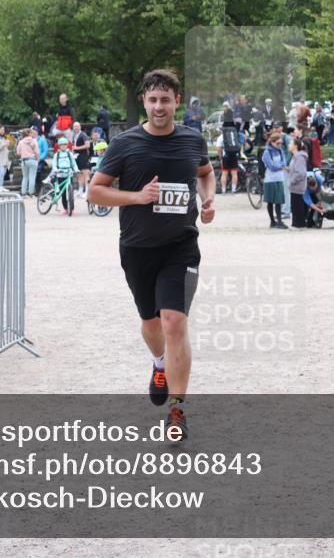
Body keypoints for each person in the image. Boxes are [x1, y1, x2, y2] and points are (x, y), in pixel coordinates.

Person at [86, 69, 215, 441]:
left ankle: (177, 410)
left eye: (166, 99)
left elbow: (206, 174)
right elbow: (95, 192)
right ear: (144, 102)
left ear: (177, 101)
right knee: (152, 324)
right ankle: (159, 363)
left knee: (174, 322)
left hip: (182, 246)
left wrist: (209, 198)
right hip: (138, 248)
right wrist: (137, 197)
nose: (159, 106)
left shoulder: (193, 141)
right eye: (153, 99)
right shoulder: (125, 144)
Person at [261, 132, 288, 229]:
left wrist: (279, 166)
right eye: (277, 143)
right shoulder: (267, 152)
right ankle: (272, 221)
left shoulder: (280, 151)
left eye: (280, 143)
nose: (279, 145)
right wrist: (280, 166)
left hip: (279, 178)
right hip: (270, 179)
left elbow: (284, 162)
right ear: (272, 142)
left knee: (279, 201)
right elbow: (271, 167)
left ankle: (279, 221)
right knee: (271, 201)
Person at [48, 137, 79, 214]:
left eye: (65, 145)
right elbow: (54, 164)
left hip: (69, 174)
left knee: (70, 192)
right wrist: (56, 169)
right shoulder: (57, 155)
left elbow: (73, 163)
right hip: (60, 175)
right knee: (63, 193)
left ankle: (72, 209)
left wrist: (76, 169)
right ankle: (65, 208)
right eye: (62, 145)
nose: (63, 146)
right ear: (59, 146)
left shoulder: (69, 154)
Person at [216, 108, 241, 194]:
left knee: (224, 173)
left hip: (225, 156)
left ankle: (223, 191)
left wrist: (220, 157)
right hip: (234, 154)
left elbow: (219, 148)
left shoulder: (223, 133)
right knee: (234, 173)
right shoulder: (235, 131)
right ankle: (233, 190)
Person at [288, 138, 309, 228]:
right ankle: (295, 223)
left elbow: (300, 172)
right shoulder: (295, 156)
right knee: (294, 204)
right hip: (294, 186)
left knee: (297, 204)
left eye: (290, 143)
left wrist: (292, 181)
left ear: (295, 146)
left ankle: (299, 224)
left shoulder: (300, 157)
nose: (289, 145)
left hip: (298, 185)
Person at [17, 128, 40, 197]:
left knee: (25, 177)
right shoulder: (33, 141)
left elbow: (18, 153)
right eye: (31, 133)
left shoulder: (21, 142)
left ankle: (23, 193)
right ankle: (31, 193)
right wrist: (38, 159)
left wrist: (24, 153)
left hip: (24, 161)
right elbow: (37, 152)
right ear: (29, 134)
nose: (32, 134)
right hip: (32, 160)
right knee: (32, 177)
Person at [71, 122, 91, 198]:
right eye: (74, 126)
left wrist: (77, 148)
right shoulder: (74, 135)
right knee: (79, 174)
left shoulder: (83, 134)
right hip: (76, 156)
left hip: (83, 155)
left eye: (77, 126)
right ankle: (80, 190)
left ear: (80, 127)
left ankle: (87, 191)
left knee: (85, 173)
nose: (75, 128)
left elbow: (87, 145)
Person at [33, 127, 50, 195]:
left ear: (37, 132)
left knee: (38, 171)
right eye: (31, 132)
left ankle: (38, 189)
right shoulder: (29, 140)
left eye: (34, 131)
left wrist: (39, 158)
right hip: (31, 159)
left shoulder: (42, 140)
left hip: (40, 160)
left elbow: (45, 151)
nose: (32, 133)